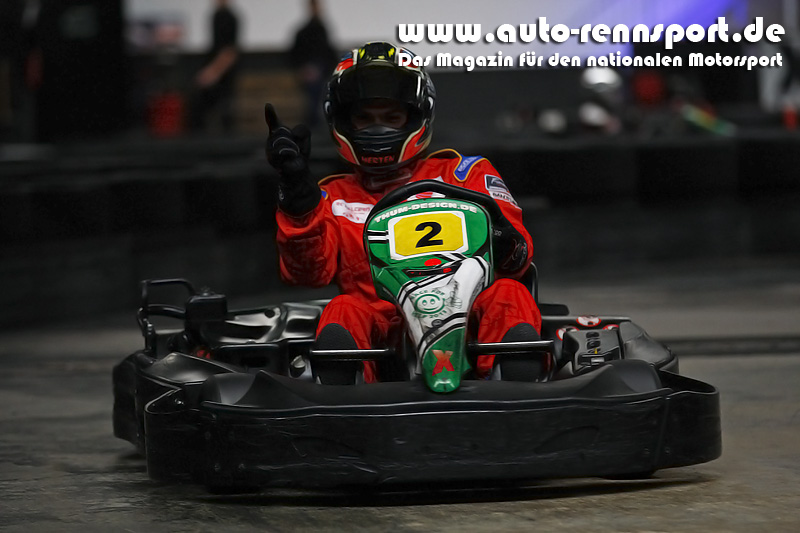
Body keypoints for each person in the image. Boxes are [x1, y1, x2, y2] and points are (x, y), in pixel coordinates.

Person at [265, 41, 542, 384]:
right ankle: (345, 393)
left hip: (469, 320)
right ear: (343, 122)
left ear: (415, 117)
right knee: (342, 309)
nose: (378, 129)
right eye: (364, 119)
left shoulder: (464, 174)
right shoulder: (330, 197)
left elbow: (518, 260)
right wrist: (298, 202)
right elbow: (308, 275)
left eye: (391, 117)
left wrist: (501, 237)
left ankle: (515, 385)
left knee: (509, 294)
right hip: (383, 336)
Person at [190, 0, 240, 132]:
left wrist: (213, 71)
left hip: (223, 73)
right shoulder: (216, 16)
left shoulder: (229, 18)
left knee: (224, 114)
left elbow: (229, 52)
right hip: (215, 68)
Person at [289, 0, 338, 127]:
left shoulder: (322, 30)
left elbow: (328, 55)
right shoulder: (304, 32)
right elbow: (296, 55)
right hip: (309, 72)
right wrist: (304, 69)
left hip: (322, 72)